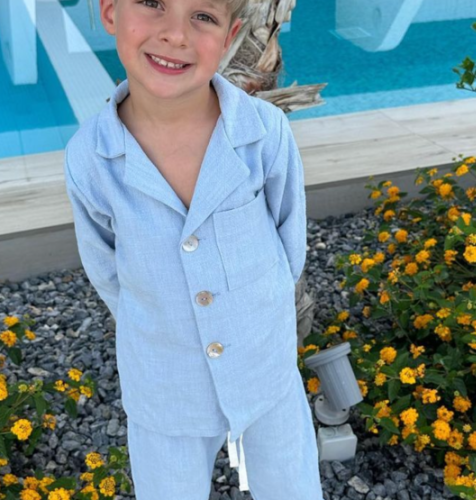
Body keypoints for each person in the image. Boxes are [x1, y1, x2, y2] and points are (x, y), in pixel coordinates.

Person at [63, 0, 324, 498]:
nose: (175, 34)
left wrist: (262, 317)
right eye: (152, 3)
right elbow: (107, 269)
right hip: (166, 386)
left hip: (265, 370)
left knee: (291, 485)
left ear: (229, 36)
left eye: (202, 16)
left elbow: (289, 241)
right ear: (110, 12)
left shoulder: (263, 133)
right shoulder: (90, 158)